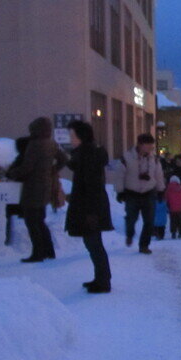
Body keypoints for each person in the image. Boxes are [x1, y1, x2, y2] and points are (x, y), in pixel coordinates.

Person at [7, 117, 68, 262]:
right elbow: (64, 159)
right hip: (45, 185)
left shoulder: (34, 145)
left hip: (32, 187)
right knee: (40, 220)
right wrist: (53, 170)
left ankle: (38, 252)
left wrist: (12, 174)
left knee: (32, 221)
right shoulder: (51, 143)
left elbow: (27, 167)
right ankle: (49, 250)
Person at [65, 120, 113, 294]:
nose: (70, 139)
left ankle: (103, 281)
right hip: (90, 205)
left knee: (94, 243)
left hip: (90, 207)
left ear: (81, 136)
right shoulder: (86, 153)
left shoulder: (88, 155)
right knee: (93, 243)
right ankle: (100, 278)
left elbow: (91, 184)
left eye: (72, 135)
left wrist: (91, 211)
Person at [114, 133, 165, 255]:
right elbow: (120, 175)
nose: (150, 148)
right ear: (140, 145)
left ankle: (144, 245)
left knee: (149, 221)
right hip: (132, 193)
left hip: (149, 192)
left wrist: (161, 190)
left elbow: (158, 175)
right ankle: (130, 234)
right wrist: (120, 191)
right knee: (131, 218)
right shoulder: (127, 158)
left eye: (151, 146)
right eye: (148, 146)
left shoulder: (154, 159)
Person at [5, 136, 29, 245]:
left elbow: (14, 171)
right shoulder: (26, 157)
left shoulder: (23, 159)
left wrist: (10, 175)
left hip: (20, 192)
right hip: (23, 191)